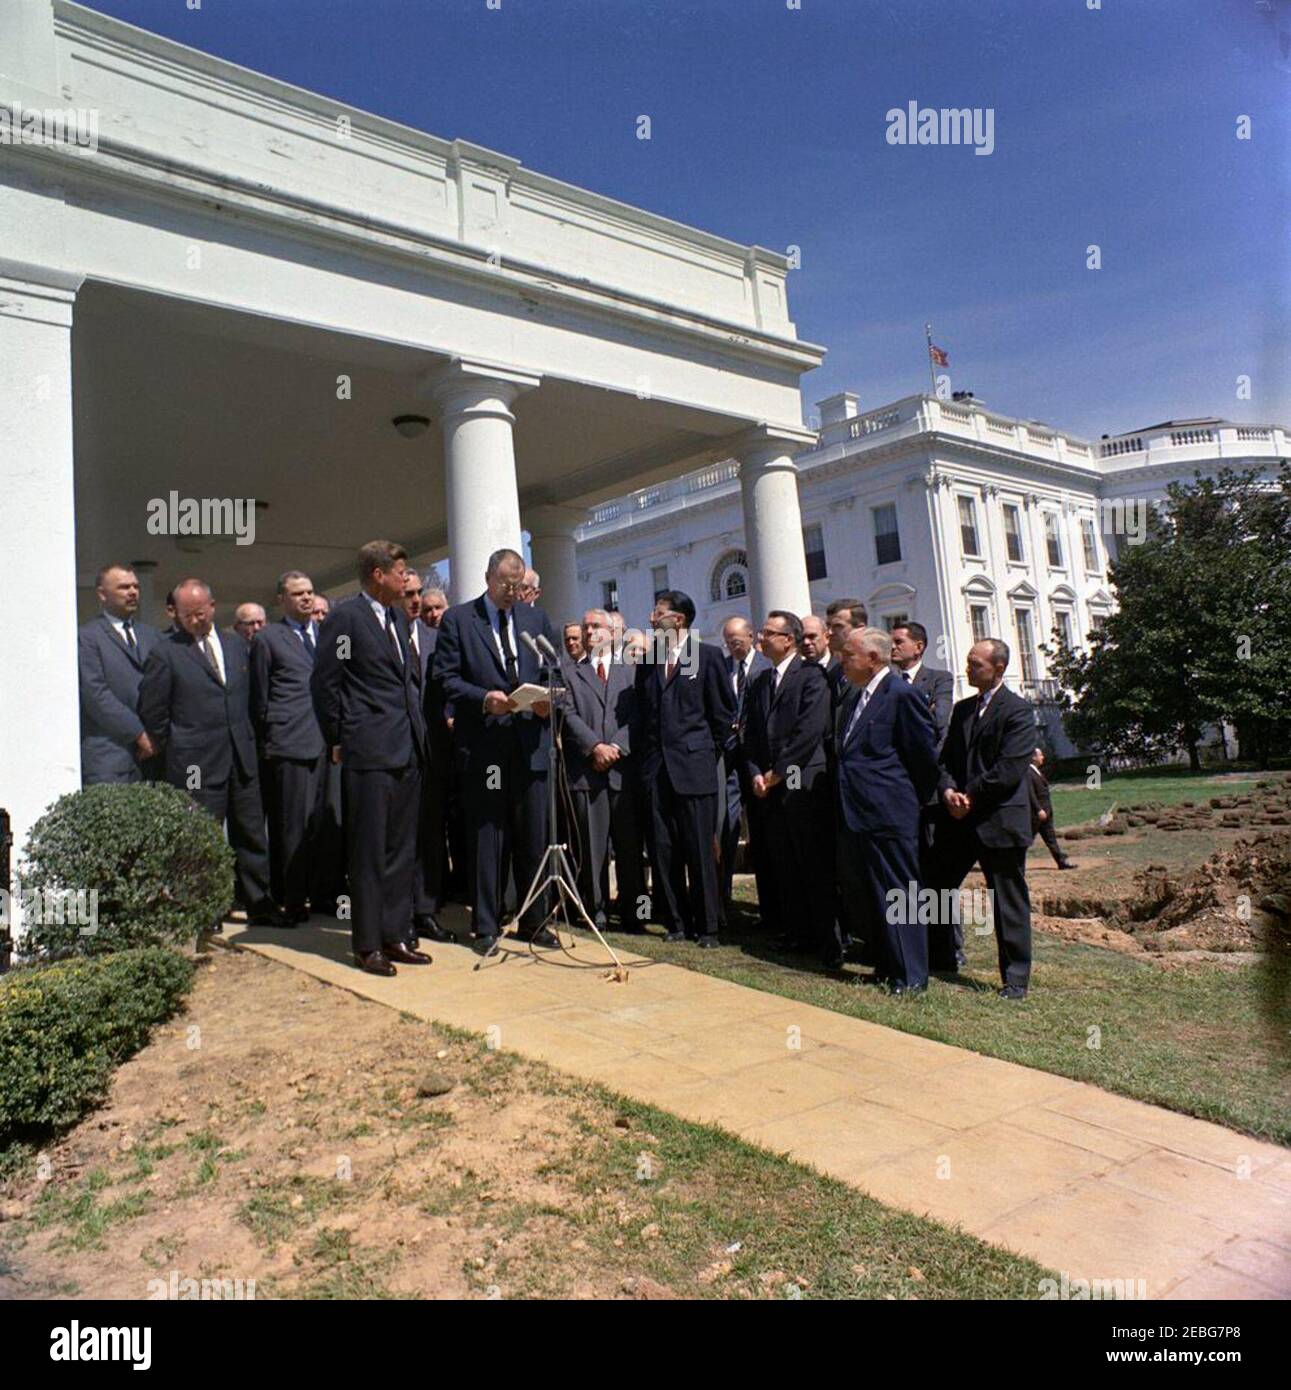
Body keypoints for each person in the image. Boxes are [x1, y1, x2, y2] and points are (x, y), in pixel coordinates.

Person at [311, 541, 431, 976]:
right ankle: (366, 945)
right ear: (378, 575)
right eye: (401, 571)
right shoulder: (345, 619)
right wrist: (339, 737)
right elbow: (327, 682)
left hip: (407, 750)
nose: (407, 579)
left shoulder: (398, 619)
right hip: (369, 751)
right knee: (368, 851)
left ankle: (395, 935)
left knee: (401, 850)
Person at [432, 547, 560, 952]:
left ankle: (535, 922)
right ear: (488, 578)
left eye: (518, 585)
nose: (511, 591)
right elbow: (445, 678)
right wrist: (482, 698)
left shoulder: (535, 619)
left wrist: (546, 700)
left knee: (532, 838)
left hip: (528, 747)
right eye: (505, 583)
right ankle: (485, 925)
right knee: (488, 839)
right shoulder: (458, 620)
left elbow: (551, 671)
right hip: (485, 746)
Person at [138, 578, 281, 927]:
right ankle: (205, 909)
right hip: (194, 763)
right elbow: (154, 709)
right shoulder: (165, 650)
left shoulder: (237, 646)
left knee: (250, 832)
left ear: (213, 607)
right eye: (186, 615)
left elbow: (252, 697)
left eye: (199, 613)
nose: (194, 620)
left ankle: (258, 901)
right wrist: (173, 747)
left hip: (240, 756)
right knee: (201, 835)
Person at [834, 627, 940, 993]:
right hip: (857, 814)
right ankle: (886, 964)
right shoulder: (855, 697)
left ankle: (911, 975)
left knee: (901, 894)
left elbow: (924, 760)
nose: (841, 661)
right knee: (872, 894)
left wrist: (906, 802)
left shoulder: (901, 695)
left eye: (848, 655)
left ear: (873, 659)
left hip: (890, 813)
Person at [931, 639, 1036, 998]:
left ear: (999, 668)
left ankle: (1016, 978)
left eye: (976, 664)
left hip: (998, 819)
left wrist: (969, 795)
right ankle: (942, 955)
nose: (968, 669)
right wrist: (948, 791)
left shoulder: (1018, 711)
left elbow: (1008, 769)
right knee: (938, 883)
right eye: (968, 662)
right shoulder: (962, 711)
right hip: (958, 819)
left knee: (1007, 899)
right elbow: (944, 761)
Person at [634, 590, 735, 946]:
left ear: (678, 620)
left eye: (658, 612)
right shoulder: (648, 662)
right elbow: (643, 716)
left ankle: (708, 926)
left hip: (694, 770)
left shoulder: (706, 657)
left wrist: (706, 753)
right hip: (656, 772)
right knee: (664, 849)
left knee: (699, 851)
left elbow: (723, 715)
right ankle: (677, 921)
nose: (650, 618)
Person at [741, 611, 836, 960]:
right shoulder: (760, 681)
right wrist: (755, 771)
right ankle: (795, 932)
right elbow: (750, 733)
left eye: (768, 632)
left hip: (801, 782)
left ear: (788, 639)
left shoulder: (812, 677)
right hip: (767, 787)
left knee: (811, 862)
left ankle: (824, 939)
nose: (761, 638)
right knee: (784, 863)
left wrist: (778, 772)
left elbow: (809, 731)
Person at [558, 608, 644, 931]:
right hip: (588, 772)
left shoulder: (630, 672)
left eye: (596, 627)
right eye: (586, 627)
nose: (590, 632)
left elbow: (636, 715)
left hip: (623, 772)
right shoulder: (569, 673)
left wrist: (616, 747)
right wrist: (595, 747)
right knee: (592, 849)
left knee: (630, 847)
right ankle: (594, 911)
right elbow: (568, 715)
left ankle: (637, 913)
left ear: (611, 633)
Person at [250, 571, 327, 924]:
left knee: (322, 824)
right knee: (292, 826)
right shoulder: (268, 639)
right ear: (282, 599)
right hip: (289, 743)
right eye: (298, 594)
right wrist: (271, 739)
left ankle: (323, 893)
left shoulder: (326, 635)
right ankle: (293, 900)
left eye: (310, 592)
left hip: (325, 743)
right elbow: (260, 698)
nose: (307, 599)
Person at [78, 563, 161, 784]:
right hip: (109, 756)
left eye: (136, 586)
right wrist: (138, 734)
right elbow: (96, 694)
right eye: (124, 587)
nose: (133, 592)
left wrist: (155, 734)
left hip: (151, 755)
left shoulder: (152, 636)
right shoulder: (88, 637)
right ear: (102, 594)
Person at [719, 616, 771, 923]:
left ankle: (770, 904)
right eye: (727, 641)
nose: (732, 645)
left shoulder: (766, 667)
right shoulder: (722, 667)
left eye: (737, 640)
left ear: (751, 637)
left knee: (763, 833)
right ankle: (722, 896)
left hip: (758, 761)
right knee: (726, 826)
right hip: (728, 759)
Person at [890, 621, 954, 747]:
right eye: (890, 643)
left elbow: (939, 719)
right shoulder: (887, 682)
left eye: (898, 642)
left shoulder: (939, 679)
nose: (892, 647)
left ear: (919, 647)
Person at [1029, 748, 1076, 869]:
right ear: (1034, 757)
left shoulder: (1037, 771)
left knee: (1051, 838)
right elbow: (1030, 794)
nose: (1043, 757)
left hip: (1046, 813)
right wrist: (1038, 809)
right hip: (1037, 815)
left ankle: (1061, 862)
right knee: (1026, 841)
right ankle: (1010, 864)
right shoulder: (1028, 773)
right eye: (1040, 755)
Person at [823, 599, 867, 706]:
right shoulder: (832, 672)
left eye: (838, 626)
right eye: (828, 626)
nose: (829, 632)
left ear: (860, 628)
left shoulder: (874, 668)